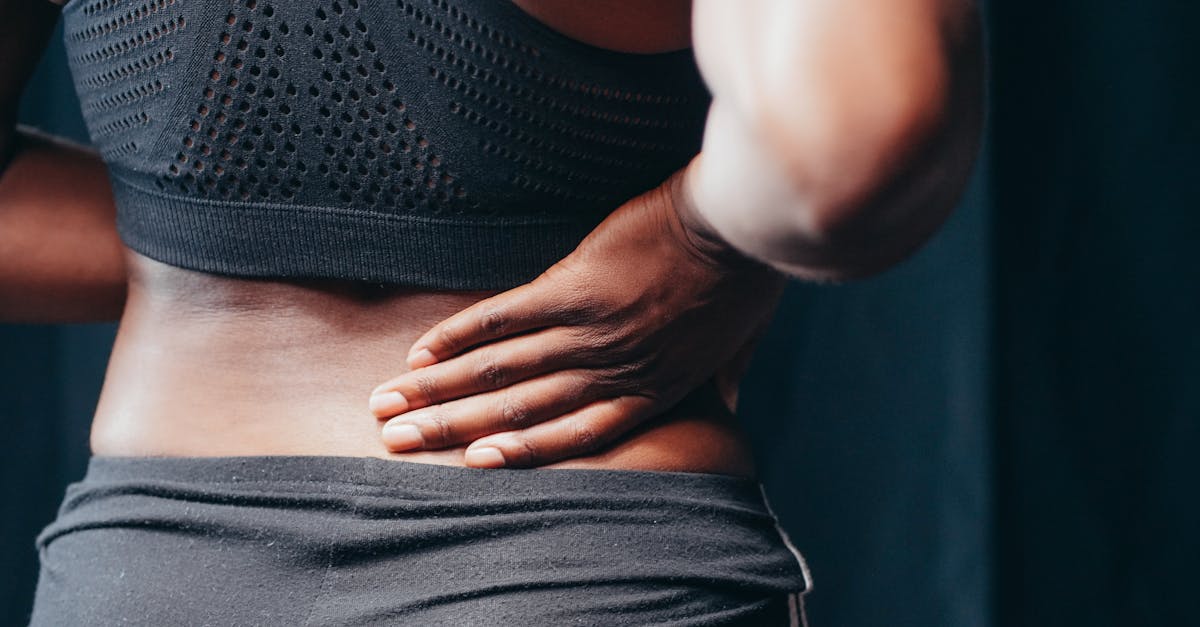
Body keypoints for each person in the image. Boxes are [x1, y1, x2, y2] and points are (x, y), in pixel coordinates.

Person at [2, 0, 982, 625]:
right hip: (578, 572)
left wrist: (207, 248)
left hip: (152, 579)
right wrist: (696, 235)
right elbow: (848, 141)